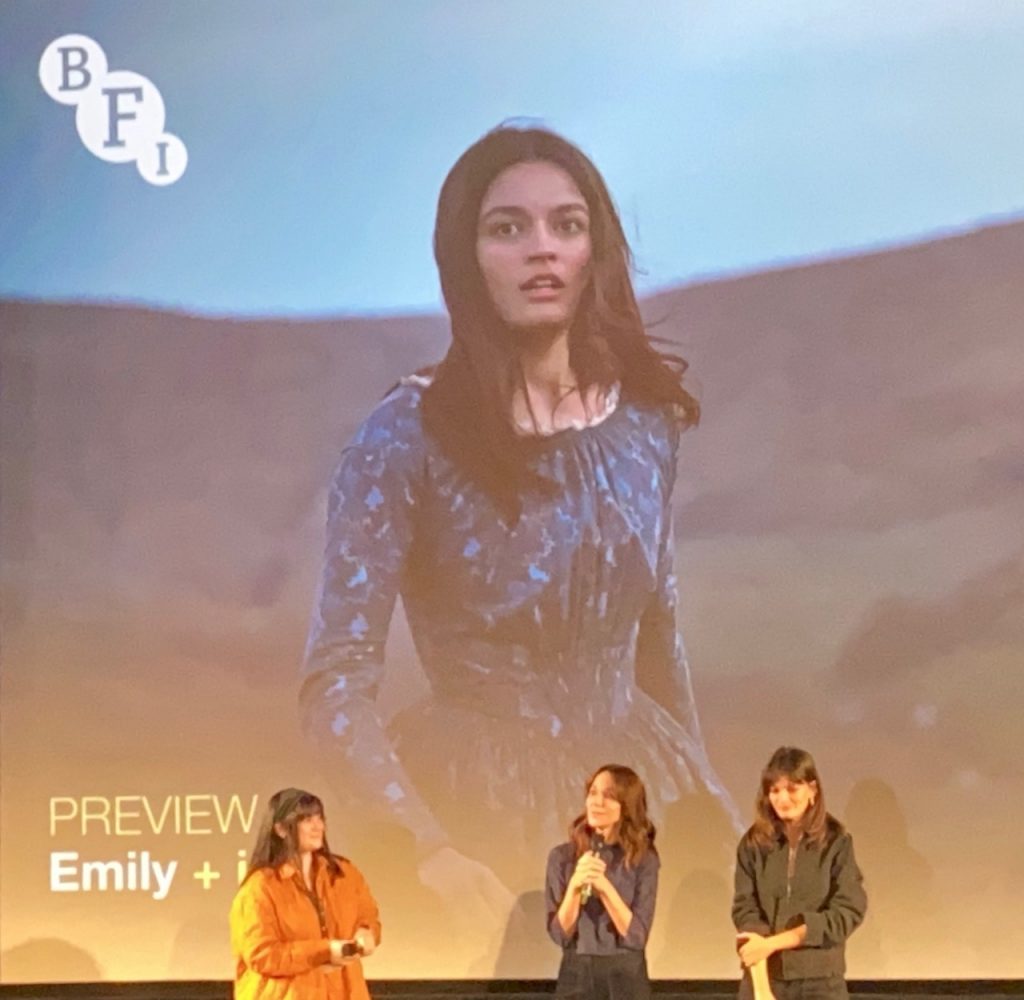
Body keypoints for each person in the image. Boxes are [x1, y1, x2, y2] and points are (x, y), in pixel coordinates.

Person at [300, 123, 737, 933]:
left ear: (594, 249)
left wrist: (708, 796)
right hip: (480, 816)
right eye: (509, 227)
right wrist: (426, 850)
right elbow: (335, 684)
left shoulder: (646, 424)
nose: (543, 249)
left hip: (644, 797)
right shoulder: (403, 439)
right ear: (465, 256)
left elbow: (658, 635)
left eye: (567, 225)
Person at [732, 747, 867, 1000]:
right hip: (764, 977)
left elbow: (847, 911)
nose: (783, 799)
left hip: (820, 983)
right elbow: (745, 911)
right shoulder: (753, 844)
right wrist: (761, 989)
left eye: (792, 789)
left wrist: (774, 943)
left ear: (812, 790)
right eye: (774, 790)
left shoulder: (836, 842)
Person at [230, 788, 381, 1000]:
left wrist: (367, 932)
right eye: (306, 819)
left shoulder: (344, 874)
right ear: (281, 829)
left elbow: (368, 917)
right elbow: (263, 956)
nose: (317, 826)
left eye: (319, 817)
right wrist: (324, 951)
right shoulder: (260, 888)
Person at [545, 764, 659, 999]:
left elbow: (637, 936)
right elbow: (560, 935)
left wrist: (605, 887)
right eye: (593, 793)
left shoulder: (643, 859)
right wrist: (575, 887)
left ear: (626, 807)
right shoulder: (562, 857)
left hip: (625, 975)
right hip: (576, 973)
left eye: (608, 796)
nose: (596, 802)